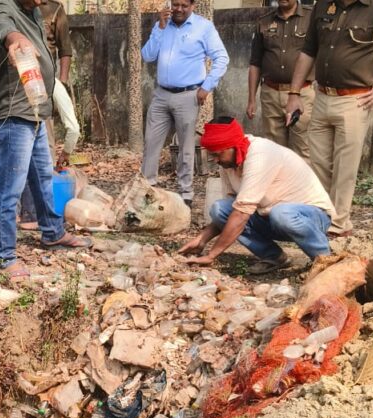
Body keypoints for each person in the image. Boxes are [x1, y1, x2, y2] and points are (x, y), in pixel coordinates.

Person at [285, 0, 373, 237]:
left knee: (344, 168)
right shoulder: (322, 5)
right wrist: (294, 93)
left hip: (355, 100)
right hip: (321, 97)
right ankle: (322, 218)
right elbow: (308, 51)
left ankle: (339, 225)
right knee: (318, 165)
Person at [0, 0, 90, 282]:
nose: (43, 1)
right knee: (9, 188)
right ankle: (3, 256)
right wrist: (15, 38)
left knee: (43, 177)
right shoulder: (0, 6)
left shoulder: (34, 11)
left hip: (35, 111)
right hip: (12, 115)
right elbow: (2, 26)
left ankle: (52, 232)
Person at [179, 117, 335, 275]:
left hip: (311, 215)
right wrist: (202, 239)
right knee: (220, 209)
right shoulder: (228, 162)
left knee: (281, 214)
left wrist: (211, 255)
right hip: (271, 217)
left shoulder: (261, 154)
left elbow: (241, 215)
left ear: (232, 146)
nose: (216, 160)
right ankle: (274, 257)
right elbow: (234, 209)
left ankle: (326, 260)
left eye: (217, 154)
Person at [141, 0, 229, 207]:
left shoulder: (204, 27)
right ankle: (147, 190)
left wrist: (207, 86)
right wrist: (159, 28)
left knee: (186, 147)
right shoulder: (162, 25)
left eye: (184, 5)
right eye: (176, 4)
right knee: (151, 143)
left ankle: (186, 193)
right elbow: (147, 55)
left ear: (193, 6)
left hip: (188, 95)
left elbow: (222, 58)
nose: (178, 9)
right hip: (161, 94)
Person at [18, 0, 81, 230]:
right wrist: (67, 153)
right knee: (32, 155)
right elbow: (74, 129)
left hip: (40, 86)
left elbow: (65, 50)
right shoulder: (13, 8)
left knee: (35, 151)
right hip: (20, 90)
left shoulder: (55, 9)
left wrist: (60, 82)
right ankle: (33, 215)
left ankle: (32, 213)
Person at [247, 0, 314, 159]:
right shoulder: (264, 22)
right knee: (273, 150)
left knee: (302, 148)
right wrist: (251, 99)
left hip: (302, 94)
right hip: (271, 94)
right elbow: (255, 63)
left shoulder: (311, 18)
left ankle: (301, 177)